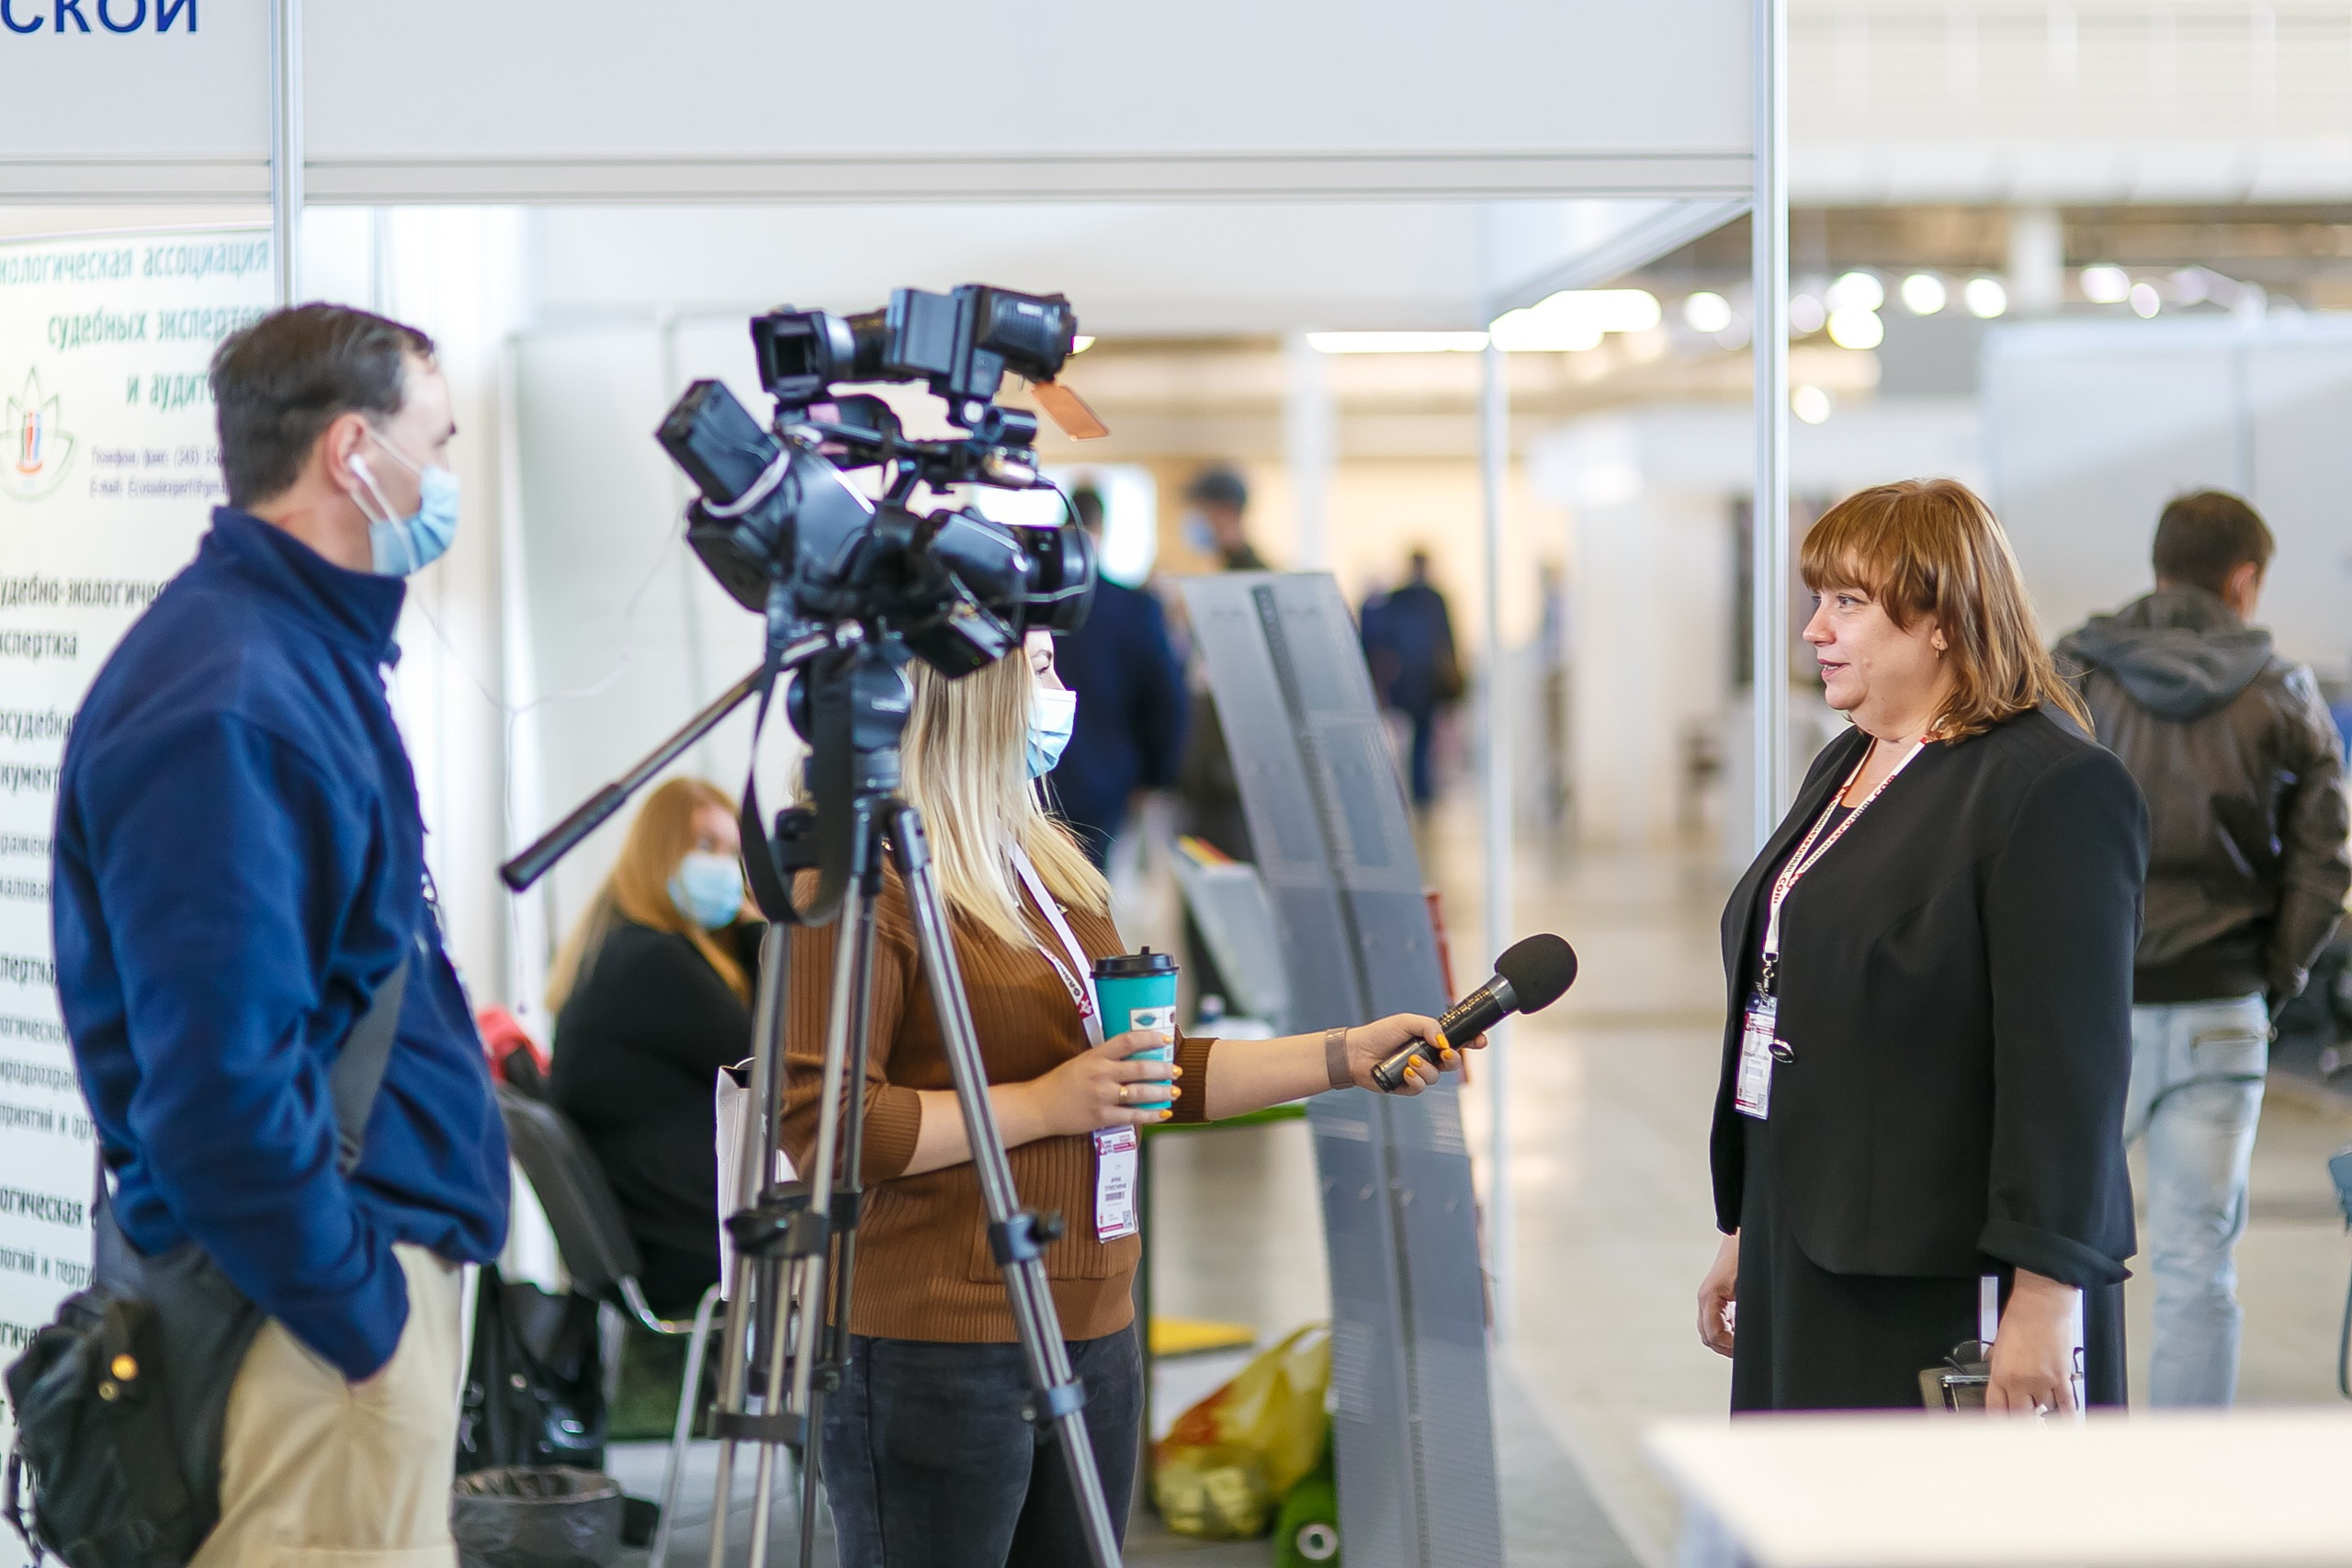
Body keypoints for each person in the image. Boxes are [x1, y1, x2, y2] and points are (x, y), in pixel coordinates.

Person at [780, 627, 1470, 1568]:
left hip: (1094, 1320)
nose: (1066, 691)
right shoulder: (862, 880)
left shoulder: (1045, 866)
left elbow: (1141, 1075)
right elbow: (830, 1128)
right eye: (1041, 669)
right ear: (964, 695)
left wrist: (1344, 1055)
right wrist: (1045, 1104)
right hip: (935, 1339)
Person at [52, 304, 508, 1563]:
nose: (450, 476)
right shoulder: (230, 695)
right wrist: (356, 1314)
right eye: (441, 440)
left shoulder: (291, 658)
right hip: (303, 1331)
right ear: (356, 452)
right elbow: (217, 1084)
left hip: (320, 1309)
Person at [1694, 478, 2146, 1414]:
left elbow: (2068, 1069)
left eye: (1847, 604)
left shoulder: (2048, 788)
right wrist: (1751, 1220)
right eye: (1818, 599)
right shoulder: (1849, 759)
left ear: (1943, 617)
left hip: (1941, 1272)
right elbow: (1783, 989)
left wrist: (2043, 1298)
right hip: (1807, 1237)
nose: (1814, 630)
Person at [2053, 491, 2349, 1406]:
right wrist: (2274, 974)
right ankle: (2187, 1493)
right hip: (2223, 1005)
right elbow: (2325, 852)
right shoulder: (2281, 688)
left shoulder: (2077, 675)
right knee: (2198, 1262)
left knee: (2056, 1252)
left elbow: (2029, 833)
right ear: (2243, 580)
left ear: (2157, 567)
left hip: (2093, 1011)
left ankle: (2058, 1451)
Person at [548, 775, 763, 1316]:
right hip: (688, 1240)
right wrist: (769, 924)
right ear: (658, 853)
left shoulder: (616, 946)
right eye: (706, 845)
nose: (723, 867)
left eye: (734, 853)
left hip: (656, 1226)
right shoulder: (651, 964)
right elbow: (769, 1059)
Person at [1045, 486, 1189, 864]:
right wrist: (1154, 777)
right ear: (1102, 529)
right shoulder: (1135, 608)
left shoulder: (1034, 605)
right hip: (1106, 783)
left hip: (1035, 779)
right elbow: (1167, 699)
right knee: (1092, 893)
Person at [1359, 548, 1463, 809]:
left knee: (1414, 737)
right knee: (1417, 737)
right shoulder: (1430, 600)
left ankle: (1415, 790)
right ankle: (1418, 791)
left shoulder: (1401, 599)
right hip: (1418, 680)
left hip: (1412, 680)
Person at [1181, 465, 1266, 571]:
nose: (1196, 520)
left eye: (1202, 511)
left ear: (1229, 512)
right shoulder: (1225, 568)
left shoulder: (1256, 577)